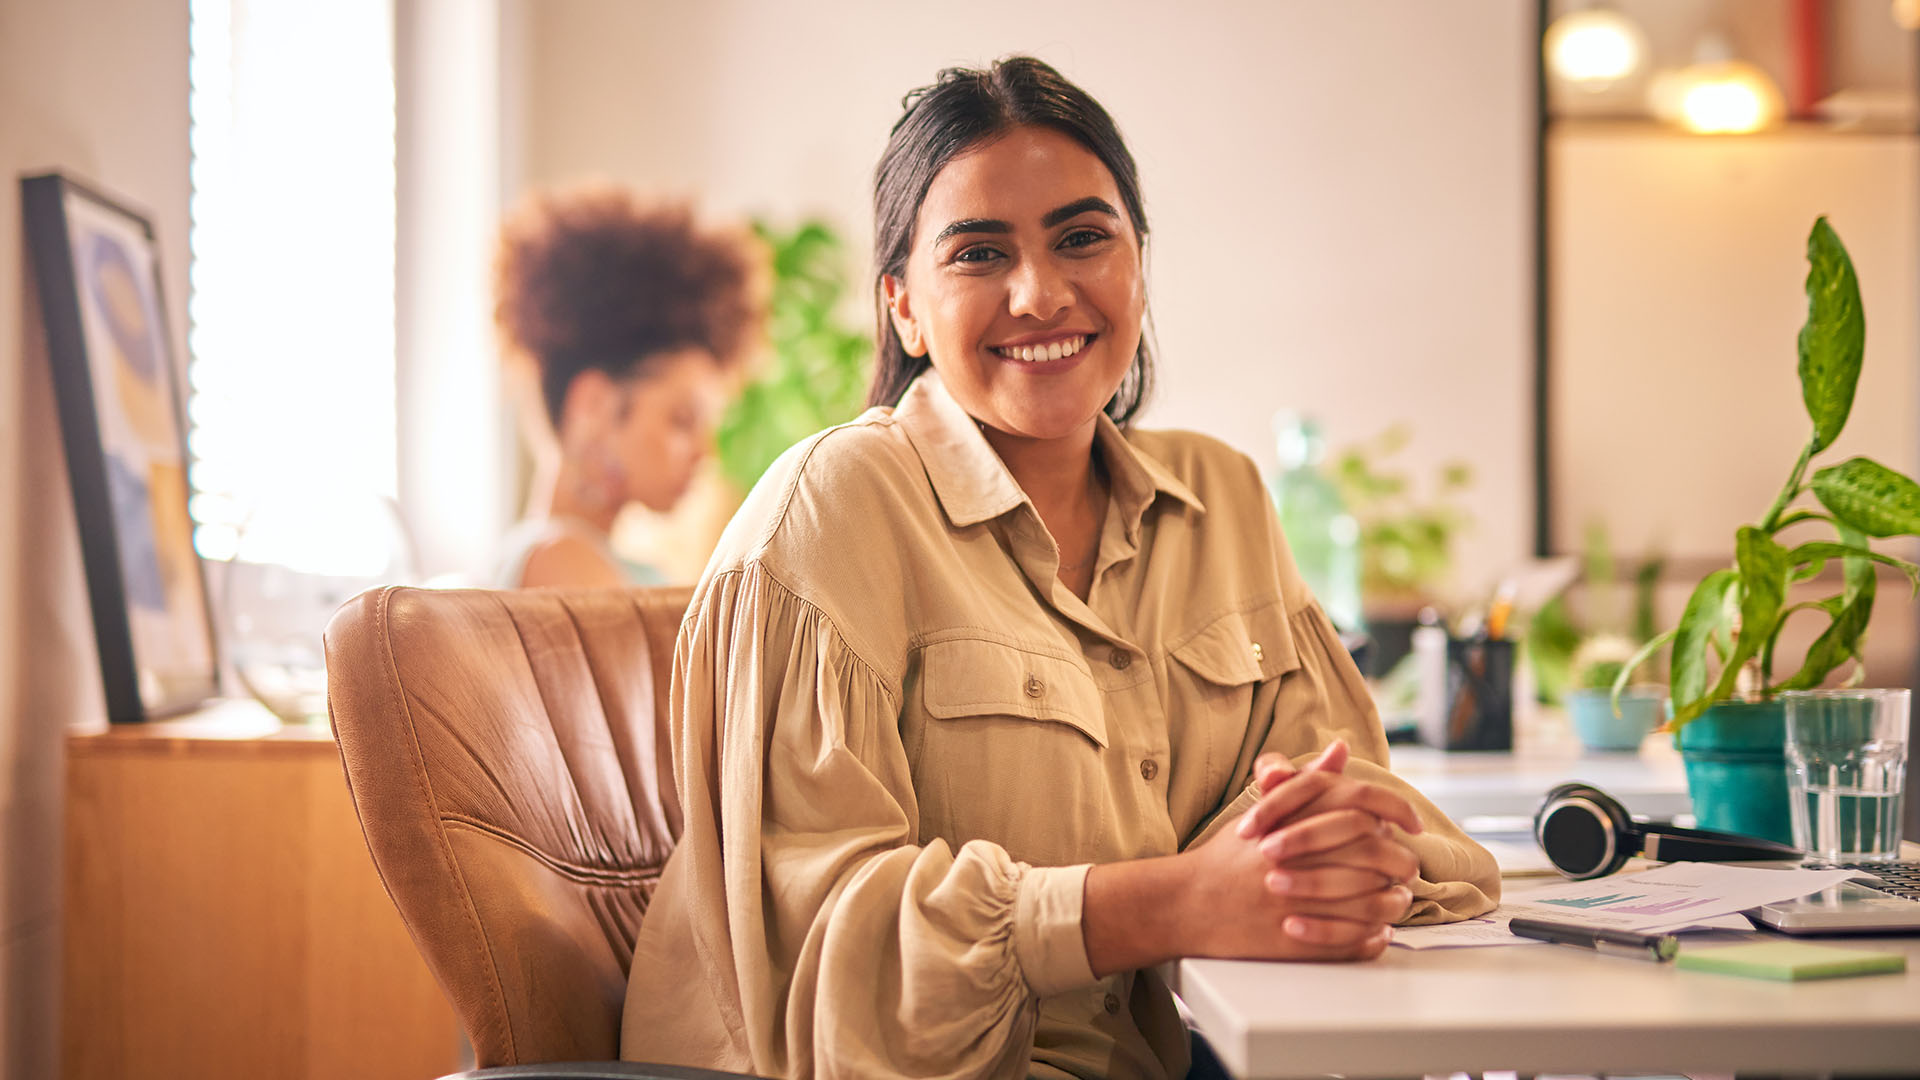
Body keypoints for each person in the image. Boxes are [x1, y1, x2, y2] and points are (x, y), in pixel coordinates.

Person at [621, 57, 1498, 1079]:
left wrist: (1341, 854)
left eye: (1084, 238)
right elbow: (818, 961)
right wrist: (1175, 900)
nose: (1041, 294)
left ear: (1138, 264)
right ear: (903, 307)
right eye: (980, 254)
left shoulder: (1224, 500)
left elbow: (1361, 809)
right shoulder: (833, 507)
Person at [491, 184, 763, 587]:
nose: (705, 451)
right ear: (594, 405)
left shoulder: (602, 562)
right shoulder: (562, 563)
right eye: (682, 420)